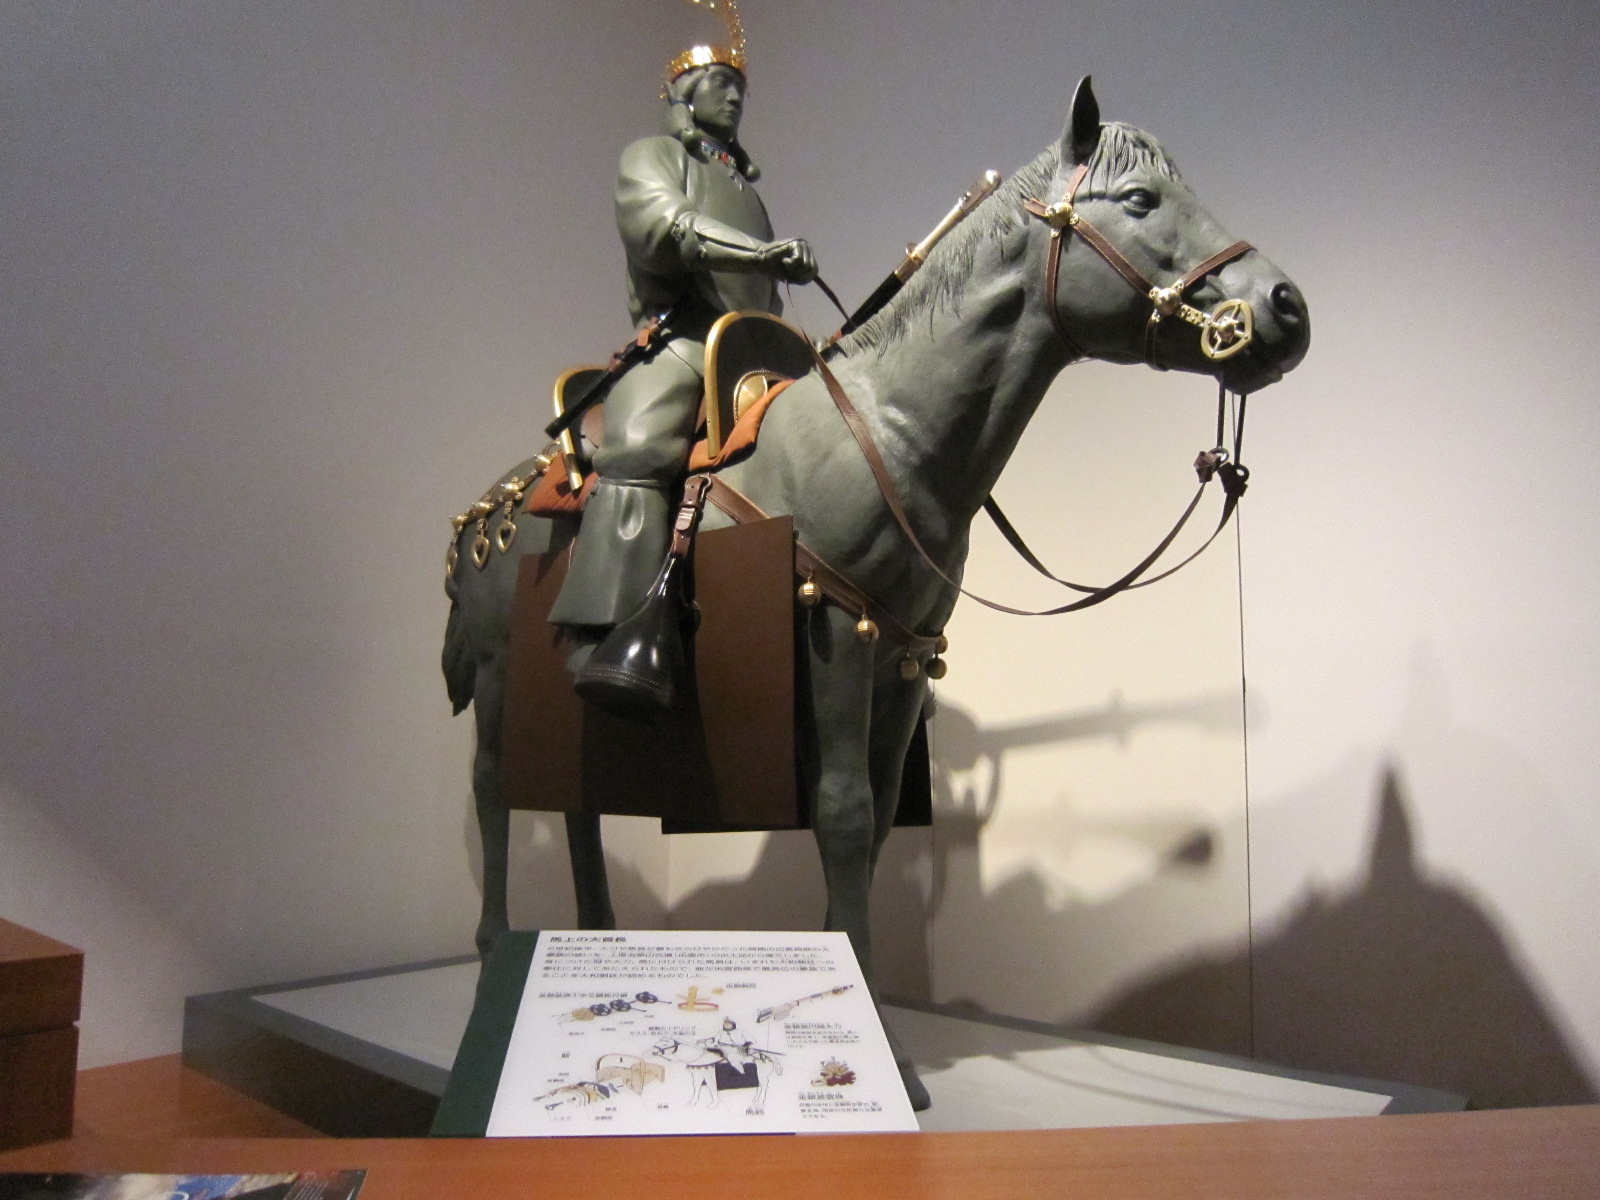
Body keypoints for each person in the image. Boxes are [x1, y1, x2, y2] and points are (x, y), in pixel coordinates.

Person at [547, 3, 816, 694]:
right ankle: (606, 632)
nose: (734, 93)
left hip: (753, 347)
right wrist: (762, 251)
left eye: (740, 86)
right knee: (640, 446)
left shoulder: (745, 190)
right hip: (682, 336)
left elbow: (758, 291)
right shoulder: (651, 156)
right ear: (683, 93)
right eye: (720, 81)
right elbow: (663, 229)